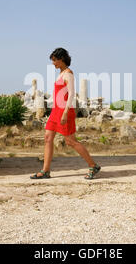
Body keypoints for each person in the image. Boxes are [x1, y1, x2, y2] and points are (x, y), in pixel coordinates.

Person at [30, 48, 101, 180]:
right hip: (55, 111)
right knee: (47, 138)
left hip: (64, 111)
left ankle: (93, 165)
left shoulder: (68, 74)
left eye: (55, 60)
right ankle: (45, 171)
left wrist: (65, 113)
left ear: (62, 59)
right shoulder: (61, 73)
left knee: (71, 141)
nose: (53, 63)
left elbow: (71, 94)